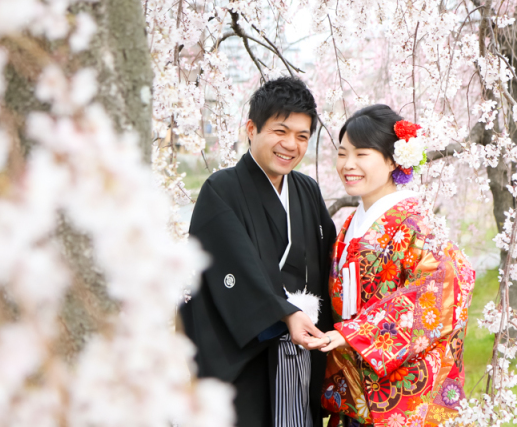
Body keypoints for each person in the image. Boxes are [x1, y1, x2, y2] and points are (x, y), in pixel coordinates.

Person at [180, 77, 337, 427]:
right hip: (247, 356)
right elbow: (230, 266)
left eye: (302, 136)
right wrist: (285, 314)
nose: (291, 145)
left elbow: (329, 262)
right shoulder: (221, 190)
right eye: (280, 131)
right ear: (251, 129)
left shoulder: (308, 190)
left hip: (302, 350)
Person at [309, 104, 475, 427]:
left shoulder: (416, 225)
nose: (348, 164)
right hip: (355, 392)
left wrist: (358, 333)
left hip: (392, 389)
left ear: (392, 161)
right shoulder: (351, 225)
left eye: (361, 154)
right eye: (342, 154)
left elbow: (450, 284)